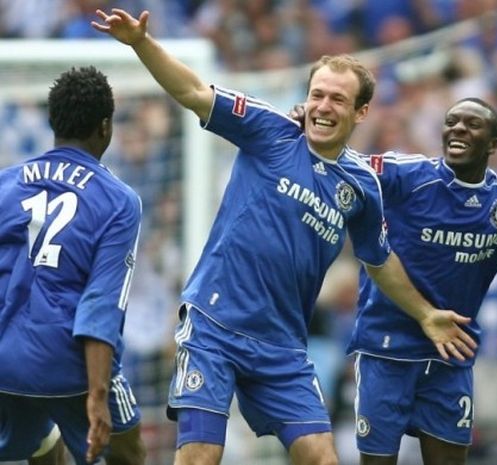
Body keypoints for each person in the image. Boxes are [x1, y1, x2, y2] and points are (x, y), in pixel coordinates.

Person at [92, 9, 476, 465]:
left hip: (282, 347)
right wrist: (141, 43)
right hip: (214, 327)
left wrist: (426, 314)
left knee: (322, 458)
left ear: (361, 112)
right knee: (199, 457)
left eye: (337, 99)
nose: (323, 107)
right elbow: (193, 91)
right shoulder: (270, 130)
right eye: (317, 95)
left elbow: (379, 260)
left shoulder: (361, 187)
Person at [292, 97, 497, 464]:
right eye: (452, 122)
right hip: (386, 351)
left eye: (471, 125)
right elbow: (346, 164)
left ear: (493, 145)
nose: (457, 129)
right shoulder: (407, 175)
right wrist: (311, 130)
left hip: (450, 358)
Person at [0, 67, 146, 465]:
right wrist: (97, 396)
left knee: (39, 442)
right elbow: (101, 303)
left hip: (6, 361)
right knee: (128, 453)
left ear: (53, 123)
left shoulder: (6, 183)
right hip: (73, 368)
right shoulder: (119, 201)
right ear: (105, 127)